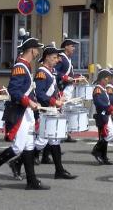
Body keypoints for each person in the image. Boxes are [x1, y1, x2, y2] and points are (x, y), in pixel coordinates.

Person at [0, 29, 47, 191]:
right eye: (37, 49)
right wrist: (28, 101)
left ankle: (31, 181)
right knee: (18, 146)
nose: (38, 52)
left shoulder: (26, 66)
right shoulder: (20, 67)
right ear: (31, 50)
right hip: (20, 111)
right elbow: (14, 90)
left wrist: (32, 103)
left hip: (27, 111)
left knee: (29, 145)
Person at [34, 41, 75, 180]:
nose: (57, 60)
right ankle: (18, 162)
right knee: (41, 141)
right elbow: (39, 94)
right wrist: (54, 101)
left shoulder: (51, 72)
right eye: (54, 57)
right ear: (46, 58)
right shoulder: (41, 72)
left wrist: (60, 97)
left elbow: (53, 90)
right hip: (45, 110)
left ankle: (59, 170)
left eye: (57, 57)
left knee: (54, 140)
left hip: (52, 110)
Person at [53, 35, 83, 145]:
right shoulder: (61, 58)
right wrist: (66, 78)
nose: (74, 48)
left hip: (68, 88)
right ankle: (60, 134)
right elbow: (55, 72)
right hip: (62, 88)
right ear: (66, 47)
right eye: (72, 46)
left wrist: (77, 77)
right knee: (62, 111)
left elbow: (69, 74)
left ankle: (65, 132)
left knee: (65, 111)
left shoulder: (67, 59)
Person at [90, 68, 113, 165]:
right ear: (101, 79)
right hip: (102, 115)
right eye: (106, 78)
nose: (108, 80)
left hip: (106, 114)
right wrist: (108, 107)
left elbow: (107, 101)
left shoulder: (103, 89)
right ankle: (97, 151)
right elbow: (98, 102)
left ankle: (103, 156)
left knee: (107, 135)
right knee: (109, 134)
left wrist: (112, 107)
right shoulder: (98, 89)